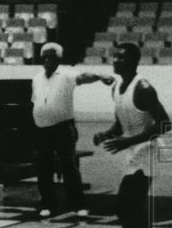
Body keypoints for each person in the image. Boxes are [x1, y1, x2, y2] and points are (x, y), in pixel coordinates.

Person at [94, 42, 171, 228]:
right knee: (134, 209)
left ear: (134, 62)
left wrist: (128, 142)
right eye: (114, 56)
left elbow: (164, 124)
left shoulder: (144, 88)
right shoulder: (117, 87)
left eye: (121, 57)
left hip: (147, 152)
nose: (115, 60)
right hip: (133, 150)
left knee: (123, 206)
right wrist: (106, 134)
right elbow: (121, 123)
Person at [31, 42, 114, 218]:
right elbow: (35, 101)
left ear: (58, 59)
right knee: (44, 168)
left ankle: (78, 205)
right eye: (45, 56)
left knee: (68, 166)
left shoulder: (66, 74)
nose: (47, 60)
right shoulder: (36, 78)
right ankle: (47, 204)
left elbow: (85, 76)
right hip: (41, 129)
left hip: (63, 128)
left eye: (51, 57)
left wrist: (99, 76)